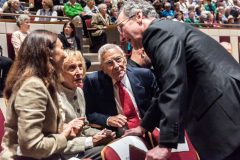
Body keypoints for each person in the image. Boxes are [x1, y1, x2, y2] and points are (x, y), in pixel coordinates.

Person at [117, 0, 240, 160]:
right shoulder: (166, 29)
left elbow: (173, 84)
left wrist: (166, 143)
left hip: (224, 115)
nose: (121, 36)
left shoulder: (157, 32)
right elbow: (165, 91)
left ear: (138, 16)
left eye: (121, 27)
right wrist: (144, 126)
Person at [0, 30, 82, 160]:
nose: (65, 54)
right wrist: (63, 136)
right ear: (48, 54)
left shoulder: (43, 83)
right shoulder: (33, 86)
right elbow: (31, 146)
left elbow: (42, 130)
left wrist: (62, 128)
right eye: (61, 48)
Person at [83, 44, 159, 137]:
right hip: (118, 136)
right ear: (102, 68)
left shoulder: (145, 75)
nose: (116, 66)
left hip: (147, 130)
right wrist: (107, 119)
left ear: (125, 60)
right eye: (109, 63)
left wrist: (145, 127)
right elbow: (89, 113)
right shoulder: (92, 81)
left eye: (118, 59)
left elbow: (159, 104)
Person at [57, 50, 116, 159]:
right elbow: (55, 143)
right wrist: (91, 141)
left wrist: (101, 134)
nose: (79, 72)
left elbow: (85, 128)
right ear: (60, 72)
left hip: (82, 146)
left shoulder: (79, 91)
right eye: (72, 68)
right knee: (111, 151)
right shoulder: (54, 97)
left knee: (116, 142)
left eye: (80, 66)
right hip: (65, 154)